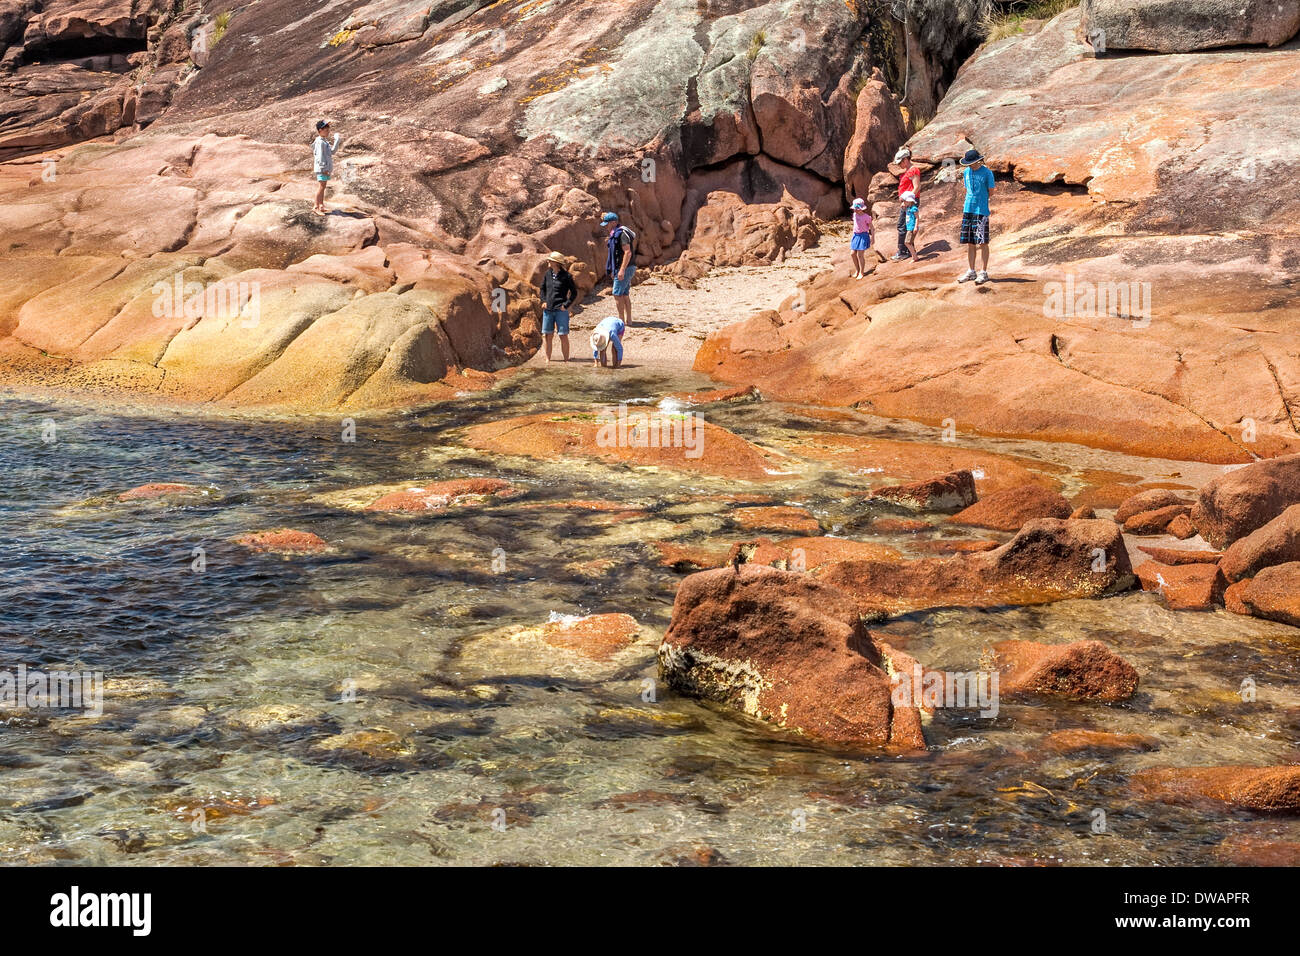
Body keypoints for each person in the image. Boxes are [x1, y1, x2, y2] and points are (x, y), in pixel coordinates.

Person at [957, 148, 995, 284]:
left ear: (978, 161)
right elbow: (967, 189)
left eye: (972, 163)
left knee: (983, 242)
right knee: (970, 242)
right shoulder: (966, 172)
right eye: (968, 163)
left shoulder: (987, 173)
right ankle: (971, 271)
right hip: (968, 209)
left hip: (981, 211)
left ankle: (983, 272)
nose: (970, 165)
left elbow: (991, 192)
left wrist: (981, 200)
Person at [539, 251, 577, 362]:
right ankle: (548, 360)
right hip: (548, 310)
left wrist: (566, 305)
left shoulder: (567, 276)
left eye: (550, 260)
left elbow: (574, 293)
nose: (548, 261)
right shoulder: (547, 274)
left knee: (563, 335)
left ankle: (566, 360)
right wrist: (543, 301)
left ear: (556, 263)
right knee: (547, 335)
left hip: (561, 310)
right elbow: (542, 289)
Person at [601, 211, 636, 328]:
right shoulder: (615, 233)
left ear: (614, 222)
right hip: (625, 268)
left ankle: (621, 321)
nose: (605, 226)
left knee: (617, 294)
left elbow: (628, 252)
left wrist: (621, 270)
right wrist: (614, 270)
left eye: (607, 223)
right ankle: (628, 321)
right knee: (624, 294)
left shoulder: (621, 234)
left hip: (626, 268)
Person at [889, 147, 921, 262]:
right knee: (905, 225)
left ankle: (903, 251)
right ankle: (908, 250)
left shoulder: (913, 170)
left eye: (900, 162)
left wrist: (907, 201)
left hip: (909, 202)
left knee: (903, 225)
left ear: (905, 160)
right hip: (907, 202)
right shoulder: (907, 171)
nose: (899, 165)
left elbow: (917, 187)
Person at [312, 119, 342, 214]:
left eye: (328, 129)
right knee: (321, 187)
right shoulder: (320, 142)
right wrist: (323, 168)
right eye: (326, 129)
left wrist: (337, 141)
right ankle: (316, 207)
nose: (328, 131)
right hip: (322, 169)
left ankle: (321, 205)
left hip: (324, 168)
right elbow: (319, 157)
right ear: (320, 130)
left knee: (323, 186)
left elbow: (332, 152)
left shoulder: (324, 141)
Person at [849, 198, 873, 279]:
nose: (855, 210)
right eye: (854, 209)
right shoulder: (854, 215)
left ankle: (862, 272)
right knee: (852, 253)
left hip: (863, 236)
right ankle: (857, 270)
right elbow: (856, 225)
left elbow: (872, 228)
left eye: (856, 209)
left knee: (860, 255)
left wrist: (873, 238)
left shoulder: (866, 217)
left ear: (861, 209)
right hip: (856, 235)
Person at [901, 190, 918, 261]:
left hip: (912, 227)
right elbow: (905, 211)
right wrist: (903, 206)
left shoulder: (914, 208)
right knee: (909, 242)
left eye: (905, 201)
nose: (904, 202)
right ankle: (914, 256)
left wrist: (915, 227)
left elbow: (917, 218)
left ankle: (914, 257)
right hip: (909, 227)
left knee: (907, 242)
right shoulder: (908, 208)